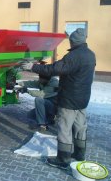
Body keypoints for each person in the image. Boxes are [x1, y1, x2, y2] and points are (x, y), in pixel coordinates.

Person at [21, 28, 96, 170]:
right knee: (80, 127)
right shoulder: (91, 55)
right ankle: (80, 155)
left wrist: (33, 67)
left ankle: (63, 159)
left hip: (69, 99)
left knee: (65, 128)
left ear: (73, 41)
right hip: (83, 99)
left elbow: (53, 69)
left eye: (70, 41)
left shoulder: (73, 56)